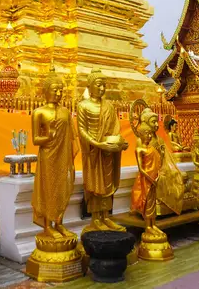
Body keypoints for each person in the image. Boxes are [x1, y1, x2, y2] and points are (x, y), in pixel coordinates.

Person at [77, 68, 128, 231]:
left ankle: (106, 216)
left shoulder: (109, 106)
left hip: (107, 152)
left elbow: (115, 129)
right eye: (99, 85)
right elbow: (81, 130)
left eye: (104, 85)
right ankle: (95, 218)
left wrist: (120, 143)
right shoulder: (83, 106)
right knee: (94, 185)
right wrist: (97, 144)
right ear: (90, 86)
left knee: (107, 185)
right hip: (92, 152)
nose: (102, 89)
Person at [31, 67, 78, 238]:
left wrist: (71, 159)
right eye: (54, 90)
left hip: (63, 155)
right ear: (45, 91)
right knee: (48, 189)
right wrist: (49, 135)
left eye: (61, 90)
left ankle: (59, 223)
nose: (58, 93)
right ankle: (47, 225)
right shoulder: (39, 112)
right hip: (48, 156)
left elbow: (71, 136)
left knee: (62, 188)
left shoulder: (65, 112)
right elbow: (36, 139)